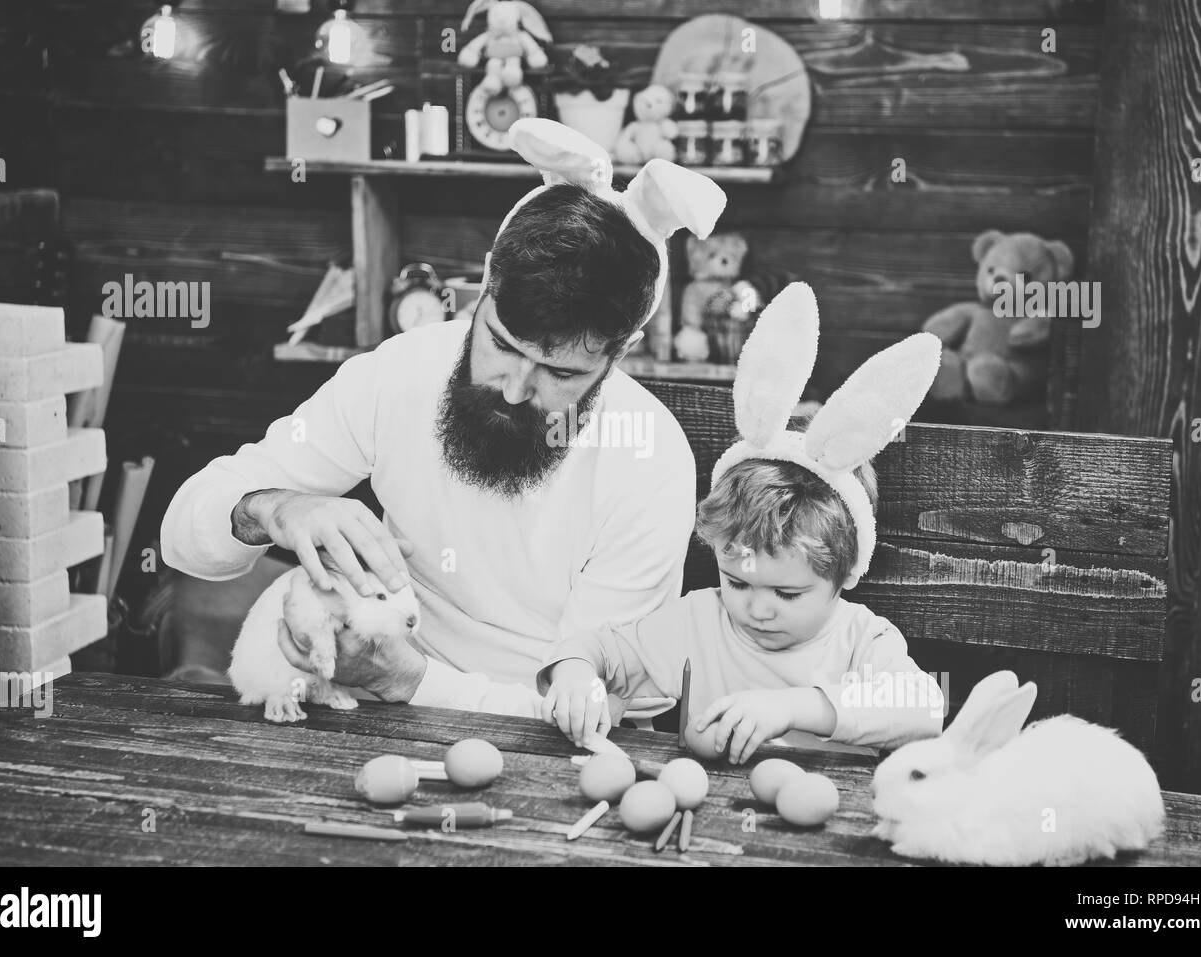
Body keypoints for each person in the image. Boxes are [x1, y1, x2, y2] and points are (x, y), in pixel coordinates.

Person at [159, 119, 726, 720]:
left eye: (560, 373)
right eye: (501, 344)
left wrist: (405, 679)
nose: (515, 391)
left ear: (624, 348)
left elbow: (601, 709)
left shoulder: (650, 458)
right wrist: (273, 509)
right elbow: (184, 538)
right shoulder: (401, 372)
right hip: (380, 714)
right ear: (486, 281)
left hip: (544, 744)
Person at [538, 283, 947, 760]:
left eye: (787, 594)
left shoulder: (860, 641)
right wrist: (576, 675)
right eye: (737, 583)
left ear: (844, 574)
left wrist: (794, 708)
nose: (758, 610)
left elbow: (923, 710)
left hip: (832, 804)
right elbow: (600, 651)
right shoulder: (699, 624)